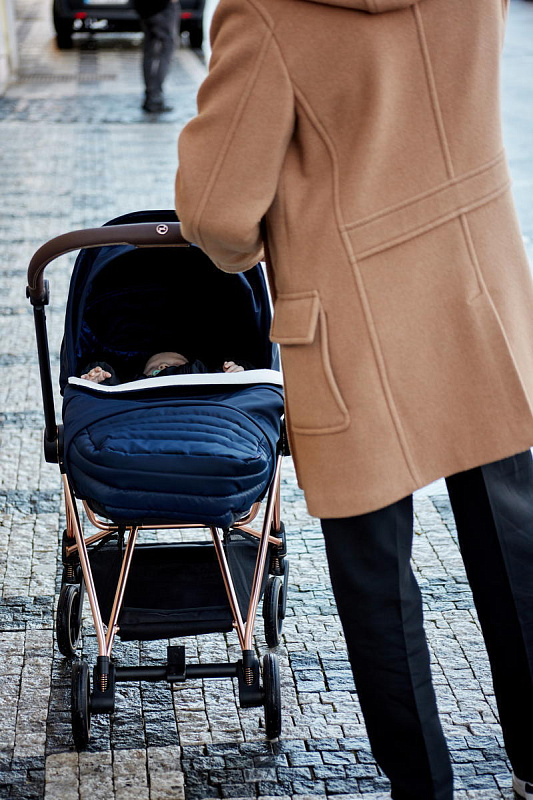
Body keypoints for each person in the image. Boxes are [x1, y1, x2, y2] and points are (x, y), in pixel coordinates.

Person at [174, 1, 533, 798]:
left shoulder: (265, 10)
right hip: (477, 292)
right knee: (513, 538)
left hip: (347, 318)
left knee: (376, 576)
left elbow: (217, 213)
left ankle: (422, 786)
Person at [80, 351, 249, 384]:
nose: (162, 366)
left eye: (175, 365)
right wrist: (100, 379)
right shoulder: (135, 382)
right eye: (153, 367)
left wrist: (235, 374)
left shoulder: (203, 375)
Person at [133, 0, 180, 113]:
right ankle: (154, 96)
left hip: (144, 7)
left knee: (151, 48)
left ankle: (151, 95)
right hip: (161, 7)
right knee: (165, 48)